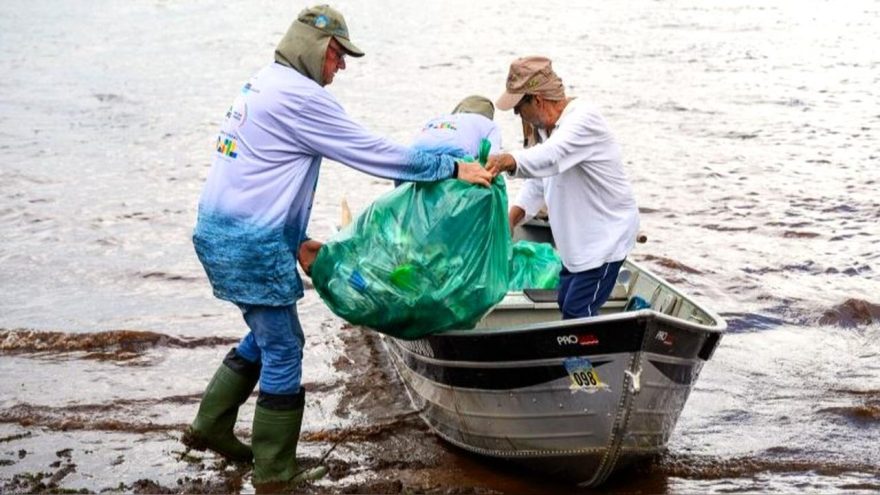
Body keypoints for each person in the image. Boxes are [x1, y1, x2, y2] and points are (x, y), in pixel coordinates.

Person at [182, 4, 492, 489]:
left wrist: (295, 240)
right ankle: (274, 472)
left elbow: (260, 176)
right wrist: (452, 168)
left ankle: (210, 426)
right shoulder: (301, 97)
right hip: (250, 241)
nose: (342, 65)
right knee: (285, 347)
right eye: (337, 54)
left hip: (225, 233)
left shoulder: (264, 82)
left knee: (267, 333)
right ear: (314, 47)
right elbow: (371, 152)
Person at [486, 56, 640, 319]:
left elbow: (552, 157)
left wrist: (507, 160)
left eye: (518, 108)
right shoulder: (547, 130)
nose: (517, 115)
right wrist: (512, 218)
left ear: (537, 100)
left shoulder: (583, 120)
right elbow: (539, 181)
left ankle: (593, 348)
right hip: (576, 245)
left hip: (604, 242)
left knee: (576, 313)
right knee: (565, 302)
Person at [393, 95, 501, 186]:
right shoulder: (490, 125)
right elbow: (493, 160)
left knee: (403, 192)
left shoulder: (439, 119)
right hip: (454, 156)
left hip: (411, 157)